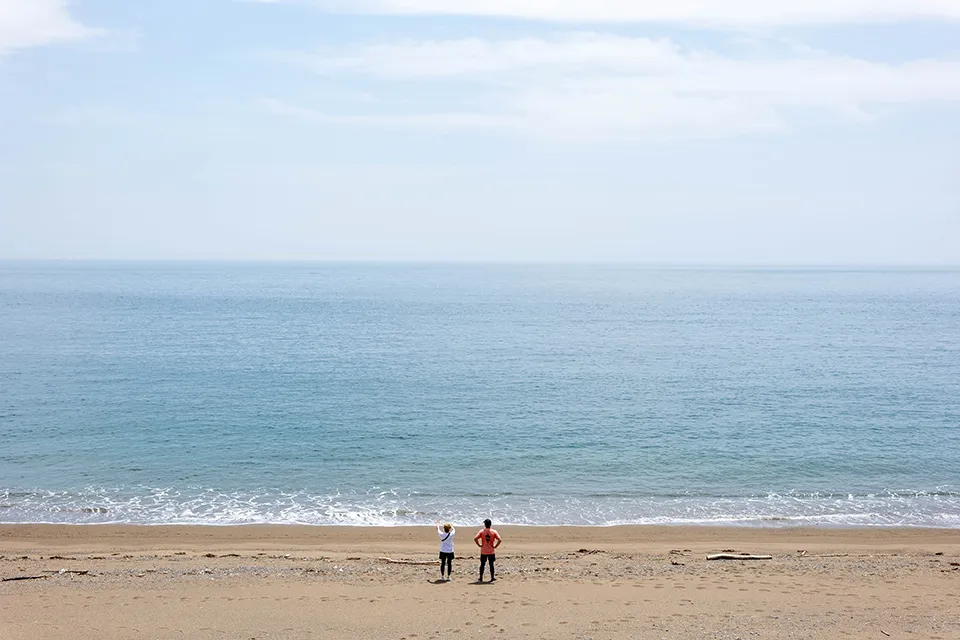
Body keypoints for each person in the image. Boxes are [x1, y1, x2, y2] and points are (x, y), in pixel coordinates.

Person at [473, 518, 502, 583]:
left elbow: (475, 538)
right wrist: (495, 546)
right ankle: (492, 577)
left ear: (485, 525)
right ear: (490, 525)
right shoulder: (494, 531)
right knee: (491, 564)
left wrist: (479, 545)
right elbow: (500, 540)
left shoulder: (482, 531)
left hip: (483, 551)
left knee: (482, 564)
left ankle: (480, 578)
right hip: (491, 551)